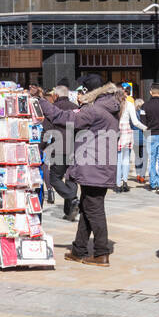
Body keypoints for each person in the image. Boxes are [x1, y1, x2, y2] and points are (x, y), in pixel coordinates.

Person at [37, 84, 120, 267]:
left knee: (94, 210)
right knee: (87, 208)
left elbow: (63, 117)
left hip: (93, 168)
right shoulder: (110, 112)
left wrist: (41, 101)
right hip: (100, 168)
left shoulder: (95, 111)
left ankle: (101, 253)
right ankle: (78, 249)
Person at [40, 85, 79, 220]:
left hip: (59, 148)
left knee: (54, 178)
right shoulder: (76, 107)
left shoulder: (54, 108)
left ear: (56, 95)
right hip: (75, 148)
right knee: (71, 178)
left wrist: (41, 146)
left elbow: (47, 129)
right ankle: (69, 211)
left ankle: (72, 198)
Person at [116, 85, 148, 193]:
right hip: (126, 132)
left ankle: (118, 183)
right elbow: (135, 122)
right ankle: (125, 182)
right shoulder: (129, 104)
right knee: (126, 159)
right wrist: (146, 128)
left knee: (118, 159)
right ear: (125, 93)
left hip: (116, 130)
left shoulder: (114, 104)